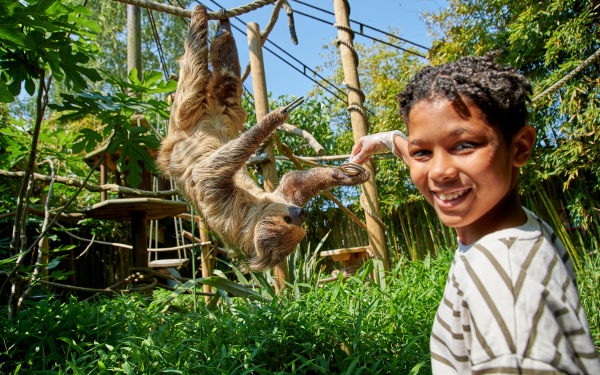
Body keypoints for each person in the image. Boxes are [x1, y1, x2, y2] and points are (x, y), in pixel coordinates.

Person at [350, 54, 600, 374]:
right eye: (423, 152)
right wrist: (386, 141)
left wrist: (409, 146)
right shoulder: (517, 226)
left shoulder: (503, 280)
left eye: (465, 145)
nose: (438, 172)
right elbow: (412, 151)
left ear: (520, 148)